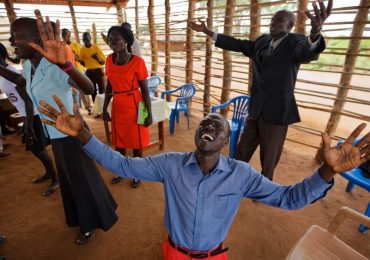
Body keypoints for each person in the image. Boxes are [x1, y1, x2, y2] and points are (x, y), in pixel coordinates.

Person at [39, 95, 370, 259]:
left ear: (227, 142)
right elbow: (122, 165)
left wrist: (326, 171)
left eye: (218, 127)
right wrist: (84, 135)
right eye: (204, 124)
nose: (208, 128)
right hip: (173, 252)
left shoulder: (241, 174)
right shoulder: (170, 164)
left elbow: (288, 198)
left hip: (215, 256)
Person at [189, 0, 332, 180]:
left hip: (277, 113)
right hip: (256, 109)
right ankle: (231, 178)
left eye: (279, 20)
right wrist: (207, 31)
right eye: (272, 19)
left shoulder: (296, 42)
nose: (273, 23)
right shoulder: (263, 41)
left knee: (269, 156)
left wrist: (315, 32)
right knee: (243, 148)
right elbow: (238, 44)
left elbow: (307, 52)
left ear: (289, 26)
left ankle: (265, 186)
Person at [8, 11, 118, 244]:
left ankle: (92, 223)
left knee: (80, 178)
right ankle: (95, 211)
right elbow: (21, 83)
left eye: (16, 37)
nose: (11, 42)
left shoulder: (55, 66)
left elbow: (89, 89)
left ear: (36, 41)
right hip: (55, 132)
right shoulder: (29, 66)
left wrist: (66, 64)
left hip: (72, 131)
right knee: (72, 178)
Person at [0, 42, 59, 195]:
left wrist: (29, 125)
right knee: (35, 149)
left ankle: (55, 179)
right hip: (28, 115)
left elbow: (28, 100)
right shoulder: (4, 73)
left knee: (38, 149)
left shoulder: (11, 73)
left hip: (33, 115)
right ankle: (49, 173)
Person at [103, 24, 153, 187]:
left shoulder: (137, 62)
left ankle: (137, 173)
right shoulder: (109, 60)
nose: (112, 42)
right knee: (120, 142)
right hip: (118, 105)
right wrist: (104, 108)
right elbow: (109, 86)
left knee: (137, 142)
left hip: (135, 105)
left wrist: (149, 114)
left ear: (126, 41)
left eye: (116, 39)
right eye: (110, 39)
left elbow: (145, 91)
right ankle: (121, 171)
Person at [61, 28, 92, 114]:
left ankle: (88, 107)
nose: (64, 36)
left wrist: (76, 57)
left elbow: (81, 59)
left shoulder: (76, 46)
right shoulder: (61, 46)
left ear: (69, 35)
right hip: (67, 72)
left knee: (83, 89)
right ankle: (78, 109)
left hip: (78, 70)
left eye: (65, 34)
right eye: (62, 34)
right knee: (73, 91)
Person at [79, 32, 106, 102]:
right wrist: (79, 61)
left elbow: (103, 62)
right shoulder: (82, 50)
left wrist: (97, 58)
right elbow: (83, 63)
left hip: (98, 71)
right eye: (84, 39)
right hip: (89, 72)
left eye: (87, 39)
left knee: (102, 90)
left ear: (90, 39)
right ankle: (97, 108)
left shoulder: (96, 48)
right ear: (83, 40)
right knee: (92, 91)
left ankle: (103, 107)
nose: (86, 41)